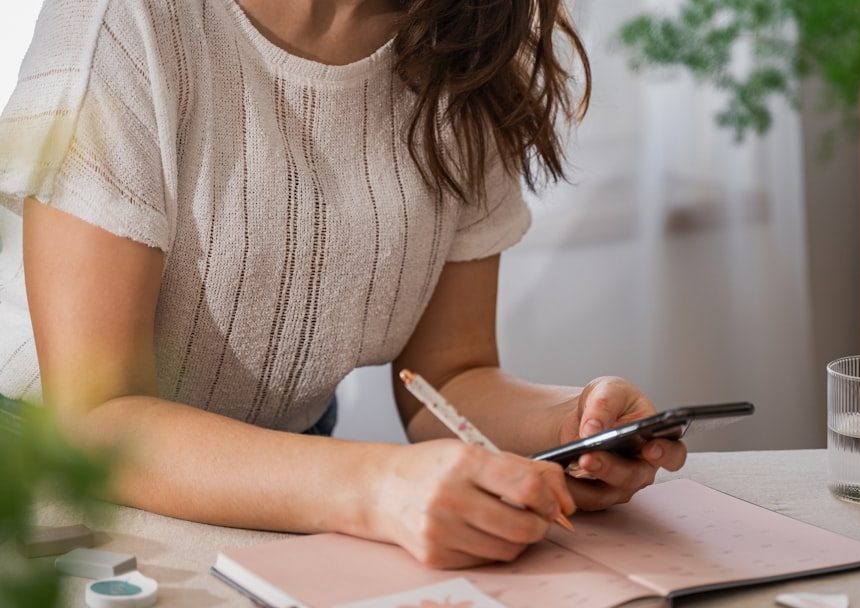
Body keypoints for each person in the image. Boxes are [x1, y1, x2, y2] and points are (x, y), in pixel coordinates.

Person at [0, 0, 687, 568]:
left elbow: (451, 375)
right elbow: (96, 420)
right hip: (48, 488)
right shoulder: (126, 20)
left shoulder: (468, 49)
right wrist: (373, 486)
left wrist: (570, 428)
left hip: (280, 497)